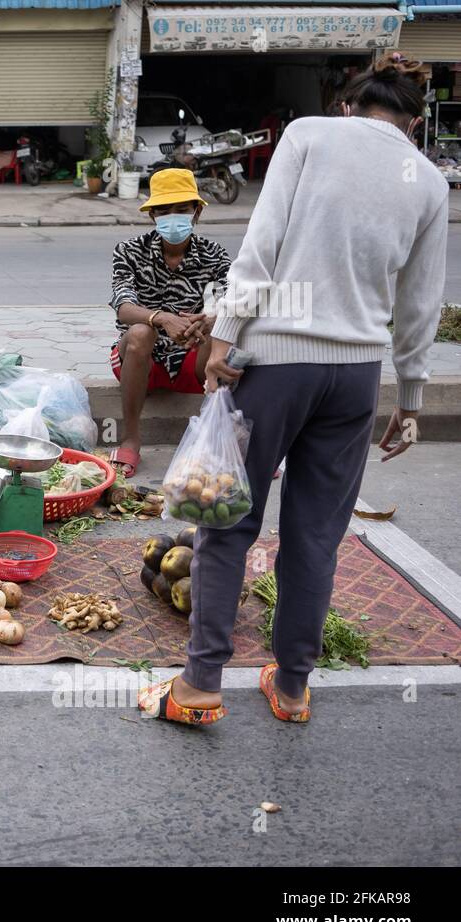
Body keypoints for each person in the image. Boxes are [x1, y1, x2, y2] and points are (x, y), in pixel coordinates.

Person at [138, 53, 447, 726]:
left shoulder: (308, 134)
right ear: (414, 123)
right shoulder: (427, 181)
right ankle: (293, 688)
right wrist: (413, 397)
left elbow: (263, 243)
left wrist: (225, 340)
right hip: (356, 377)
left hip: (277, 364)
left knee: (227, 524)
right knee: (314, 537)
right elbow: (421, 304)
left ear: (347, 104)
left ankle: (199, 685)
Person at [107, 168, 232, 477]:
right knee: (139, 332)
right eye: (163, 211)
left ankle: (219, 438)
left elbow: (235, 299)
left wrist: (208, 320)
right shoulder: (128, 251)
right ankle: (131, 439)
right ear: (152, 216)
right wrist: (161, 318)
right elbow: (123, 306)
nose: (171, 217)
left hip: (194, 361)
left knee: (224, 328)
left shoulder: (214, 254)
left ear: (197, 211)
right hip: (139, 362)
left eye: (181, 210)